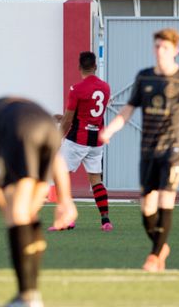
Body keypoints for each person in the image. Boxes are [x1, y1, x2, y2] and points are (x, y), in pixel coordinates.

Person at [100, 28, 179, 272]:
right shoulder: (144, 78)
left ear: (175, 51)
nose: (160, 51)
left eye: (166, 48)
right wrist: (110, 130)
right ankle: (161, 247)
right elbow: (128, 110)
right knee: (147, 210)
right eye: (157, 47)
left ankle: (153, 256)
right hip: (148, 150)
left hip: (174, 149)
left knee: (165, 199)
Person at [0, 97, 77, 307]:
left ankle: (26, 296)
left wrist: (4, 207)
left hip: (17, 125)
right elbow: (55, 158)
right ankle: (32, 293)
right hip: (46, 123)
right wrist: (65, 200)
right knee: (29, 215)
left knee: (17, 213)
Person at [53, 51, 112, 232]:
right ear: (95, 67)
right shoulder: (105, 88)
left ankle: (68, 219)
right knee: (95, 179)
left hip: (77, 140)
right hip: (96, 142)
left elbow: (70, 120)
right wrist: (63, 118)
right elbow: (91, 115)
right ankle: (105, 221)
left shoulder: (76, 89)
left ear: (79, 68)